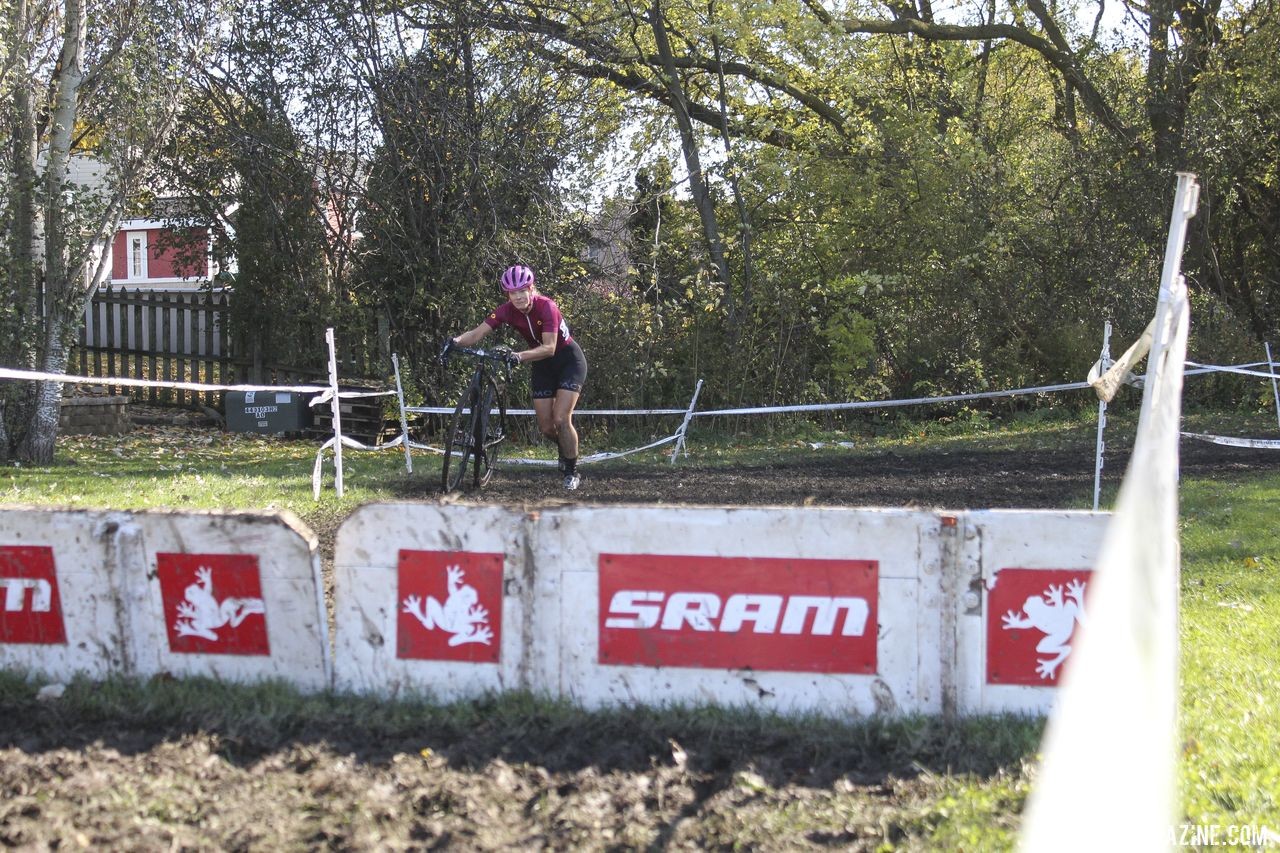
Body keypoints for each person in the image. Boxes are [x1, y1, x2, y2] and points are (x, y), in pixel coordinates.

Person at [452, 264, 588, 490]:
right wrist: (454, 342)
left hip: (568, 361)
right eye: (512, 293)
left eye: (522, 291)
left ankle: (572, 469)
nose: (518, 297)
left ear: (531, 289)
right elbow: (476, 334)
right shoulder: (506, 310)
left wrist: (519, 356)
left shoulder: (547, 307)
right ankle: (566, 447)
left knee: (562, 420)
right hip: (541, 365)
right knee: (546, 428)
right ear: (508, 294)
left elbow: (550, 348)